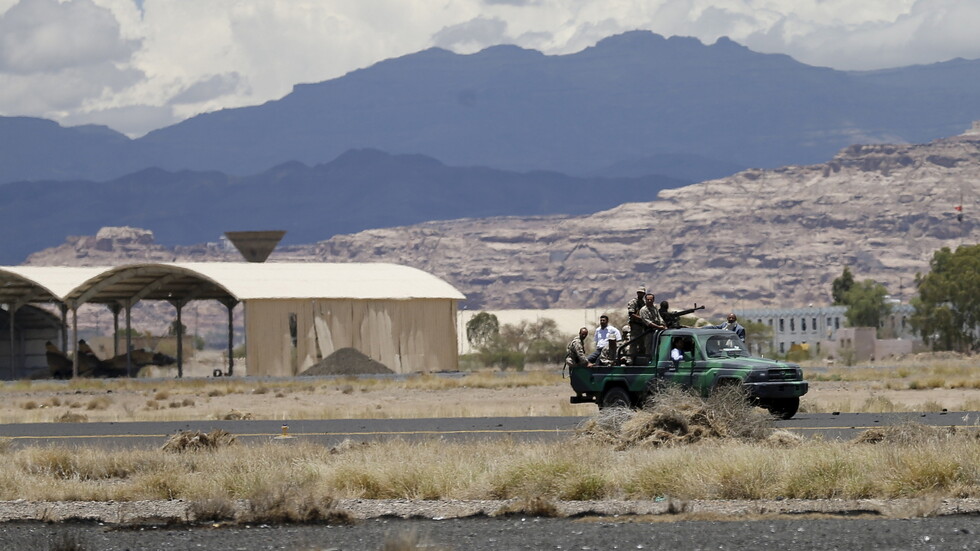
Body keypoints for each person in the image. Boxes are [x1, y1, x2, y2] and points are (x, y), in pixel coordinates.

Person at [626, 286, 646, 355]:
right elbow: (631, 314)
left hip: (642, 326)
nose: (640, 294)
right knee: (633, 342)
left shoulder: (644, 303)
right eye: (639, 292)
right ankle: (631, 357)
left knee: (642, 343)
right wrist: (642, 318)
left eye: (642, 293)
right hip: (635, 325)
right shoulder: (633, 302)